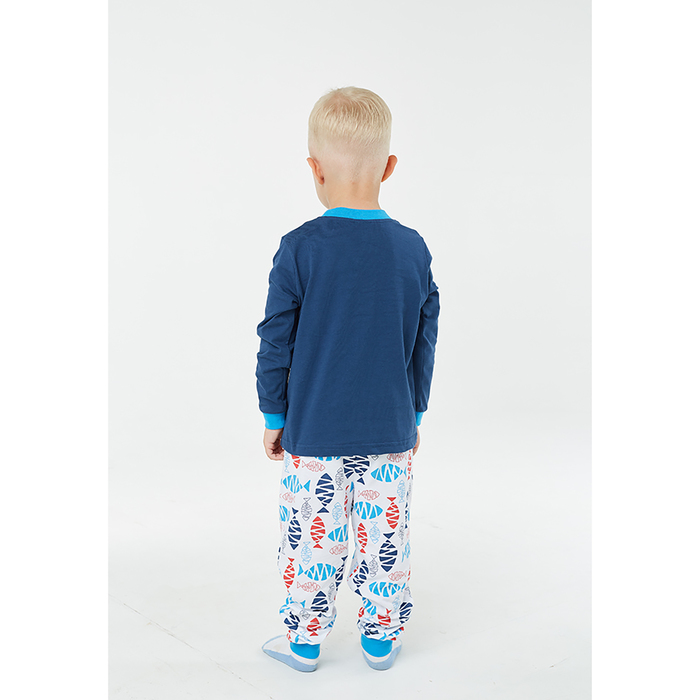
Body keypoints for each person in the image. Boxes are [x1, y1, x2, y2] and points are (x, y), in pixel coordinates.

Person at [255, 86, 439, 672]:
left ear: (314, 169)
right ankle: (380, 641)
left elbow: (275, 340)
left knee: (313, 540)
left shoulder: (299, 249)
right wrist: (414, 413)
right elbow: (424, 339)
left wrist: (274, 414)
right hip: (389, 429)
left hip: (313, 432)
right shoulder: (412, 250)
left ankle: (304, 642)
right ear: (388, 167)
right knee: (385, 541)